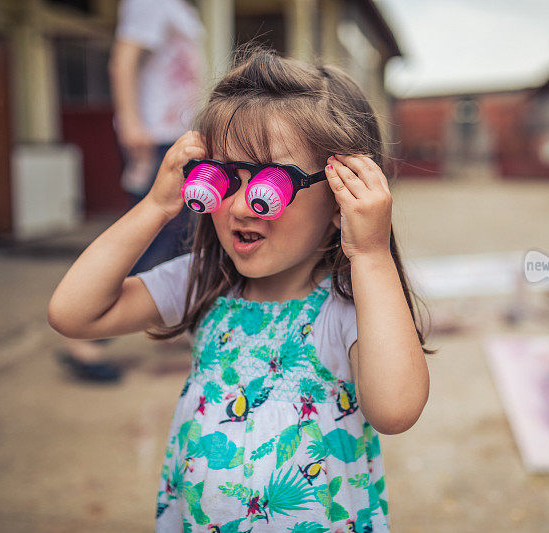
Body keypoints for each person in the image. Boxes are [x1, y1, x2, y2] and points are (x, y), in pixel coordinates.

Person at [48, 45, 433, 531]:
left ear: (341, 199)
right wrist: (155, 206)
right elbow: (74, 314)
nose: (241, 207)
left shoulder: (348, 312)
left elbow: (396, 410)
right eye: (224, 177)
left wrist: (373, 256)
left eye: (272, 184)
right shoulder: (202, 283)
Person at [56, 0, 205, 382]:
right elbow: (122, 61)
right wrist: (132, 125)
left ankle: (187, 322)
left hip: (177, 134)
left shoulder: (180, 7)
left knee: (189, 233)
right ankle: (85, 339)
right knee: (155, 232)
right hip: (155, 137)